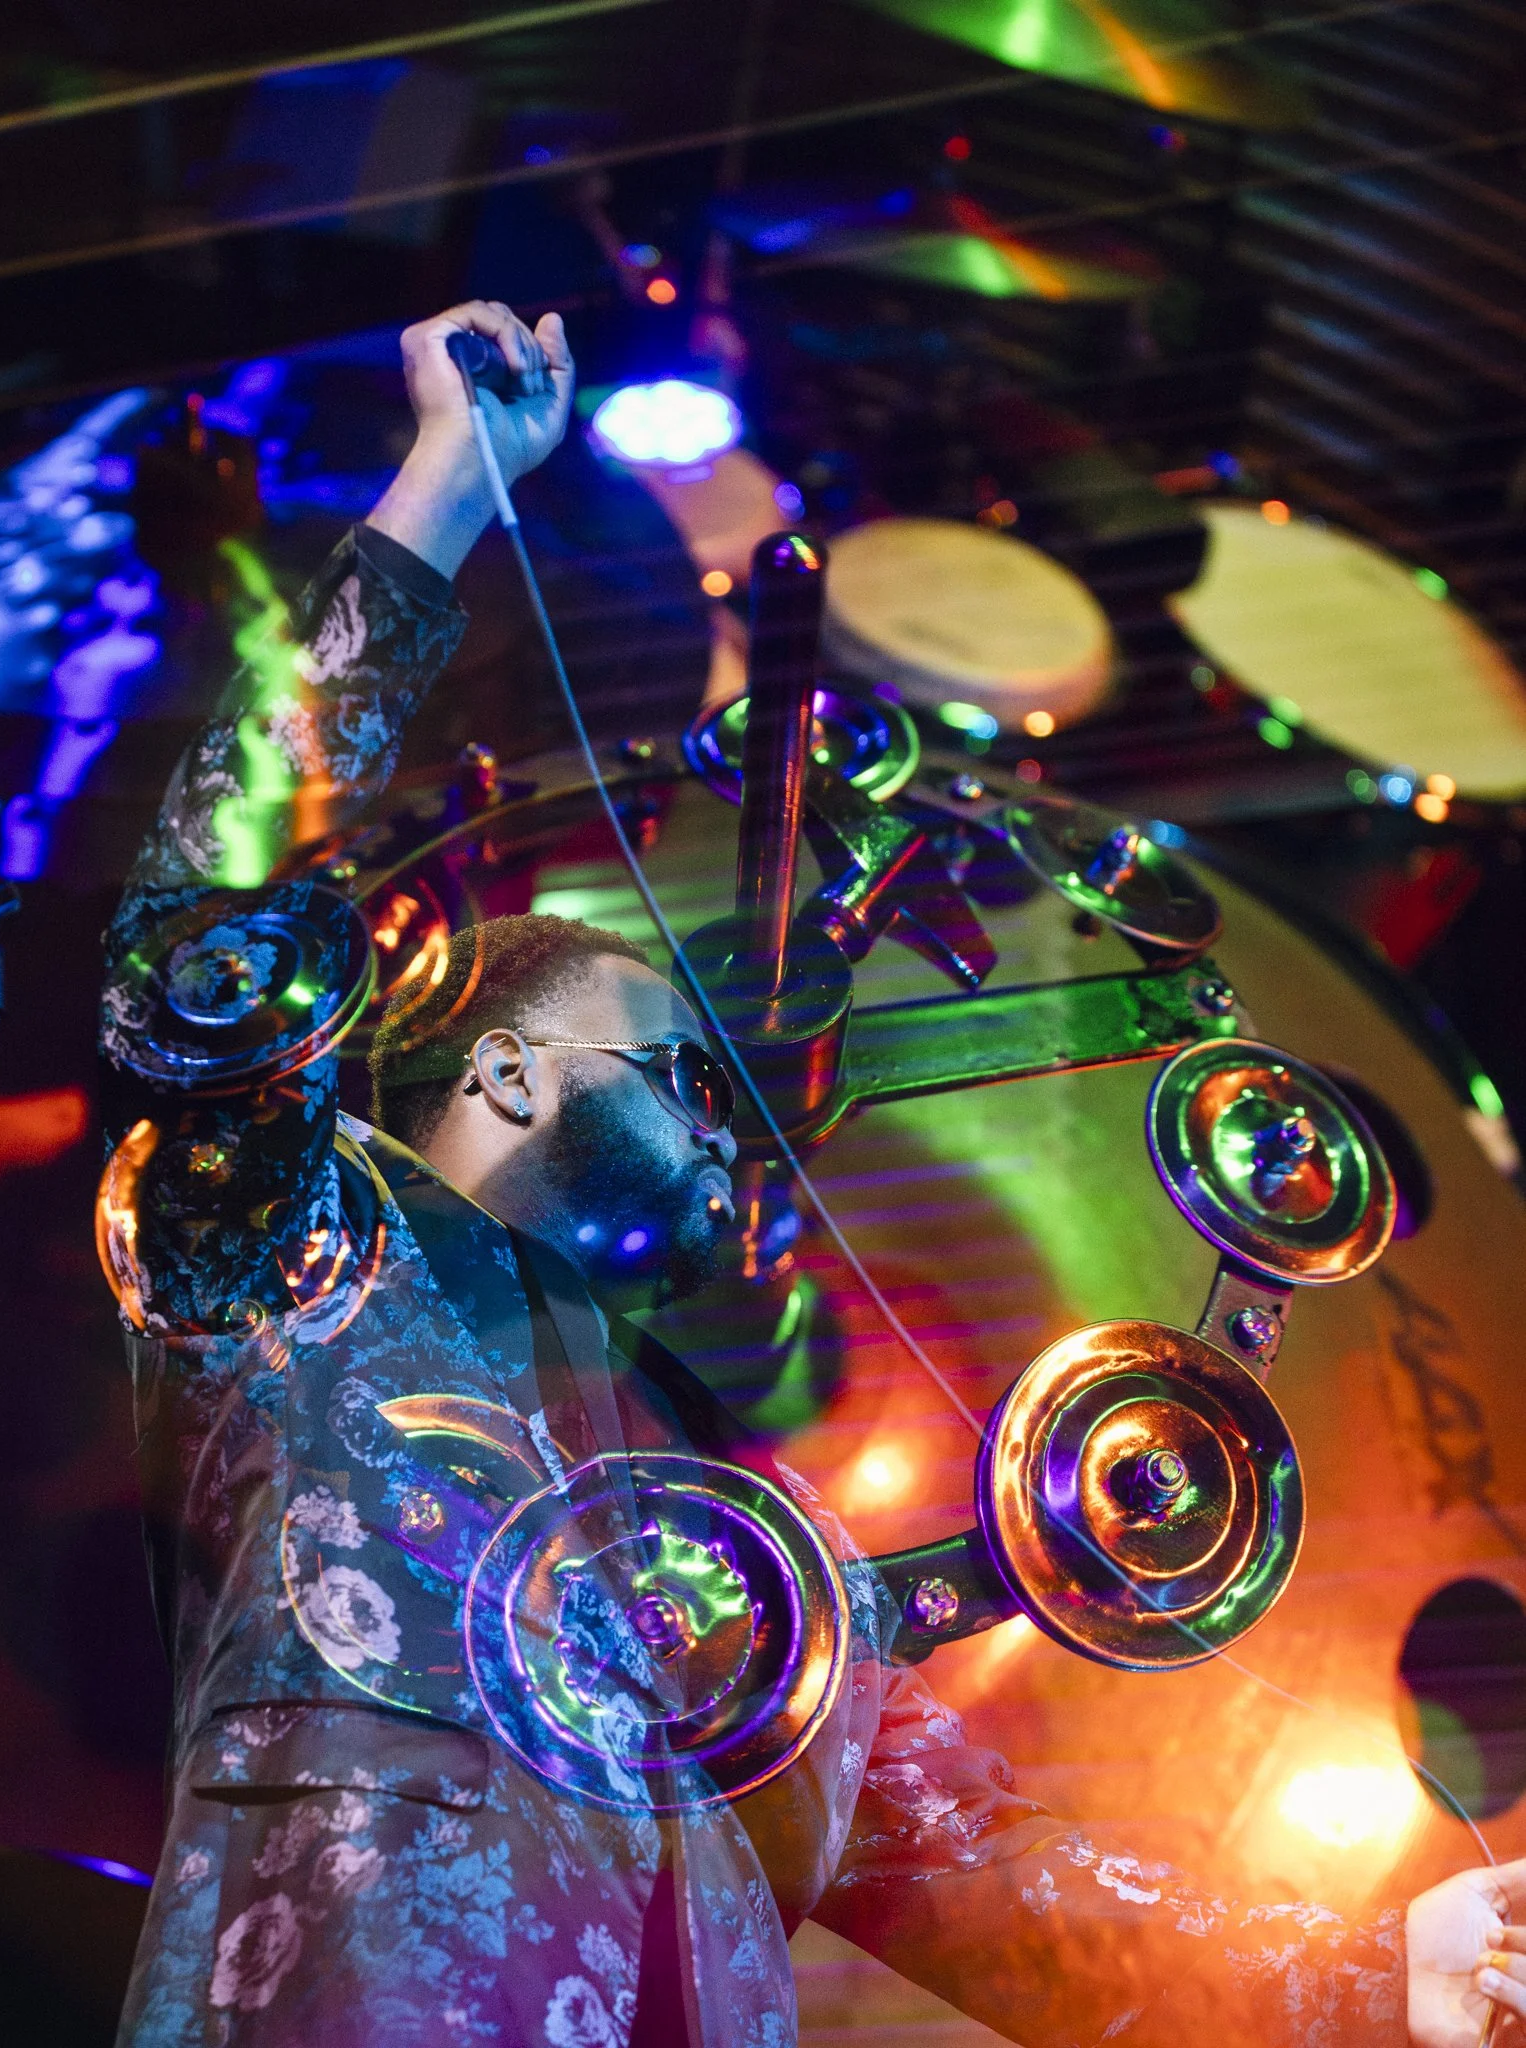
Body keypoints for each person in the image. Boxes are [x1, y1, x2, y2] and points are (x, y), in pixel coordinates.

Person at [98, 298, 1526, 2048]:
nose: (730, 1126)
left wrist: (1377, 1981)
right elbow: (211, 943)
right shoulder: (302, 1267)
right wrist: (446, 492)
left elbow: (978, 1875)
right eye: (686, 1072)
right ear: (510, 1068)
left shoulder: (721, 1517)